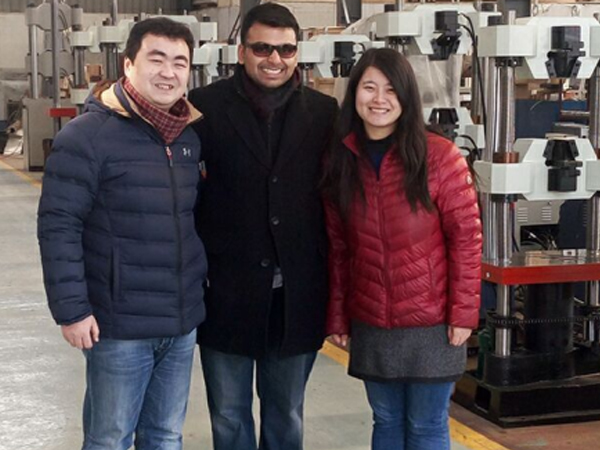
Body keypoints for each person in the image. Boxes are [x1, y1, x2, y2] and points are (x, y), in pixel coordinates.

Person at [37, 17, 207, 450]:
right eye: (156, 59)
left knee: (165, 436)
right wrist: (72, 311)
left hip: (180, 321)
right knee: (109, 439)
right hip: (118, 325)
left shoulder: (187, 138)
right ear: (128, 64)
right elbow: (58, 226)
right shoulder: (86, 137)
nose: (169, 72)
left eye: (180, 62)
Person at [187, 3, 338, 450]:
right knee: (228, 416)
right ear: (241, 52)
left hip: (295, 295)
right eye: (262, 48)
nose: (275, 59)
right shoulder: (204, 107)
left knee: (286, 414)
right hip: (226, 293)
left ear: (297, 52)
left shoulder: (324, 113)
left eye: (286, 49)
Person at [321, 48, 482, 450]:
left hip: (433, 323)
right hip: (372, 320)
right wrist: (338, 315)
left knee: (426, 425)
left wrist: (463, 313)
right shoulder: (342, 161)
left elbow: (466, 239)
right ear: (354, 94)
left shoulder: (439, 157)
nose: (379, 99)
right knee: (387, 420)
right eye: (369, 87)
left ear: (407, 96)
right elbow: (339, 249)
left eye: (391, 89)